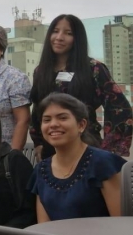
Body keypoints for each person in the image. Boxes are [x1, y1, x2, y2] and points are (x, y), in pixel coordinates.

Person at [30, 14, 133, 160]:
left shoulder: (93, 68)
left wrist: (110, 149)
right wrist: (38, 142)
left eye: (68, 33)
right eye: (55, 31)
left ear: (77, 39)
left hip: (86, 145)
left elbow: (120, 108)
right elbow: (37, 109)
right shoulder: (40, 71)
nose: (59, 37)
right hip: (51, 146)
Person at [29, 93, 125, 222]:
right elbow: (44, 229)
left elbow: (120, 222)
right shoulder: (41, 170)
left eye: (62, 118)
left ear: (81, 125)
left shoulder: (103, 163)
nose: (53, 124)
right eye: (46, 120)